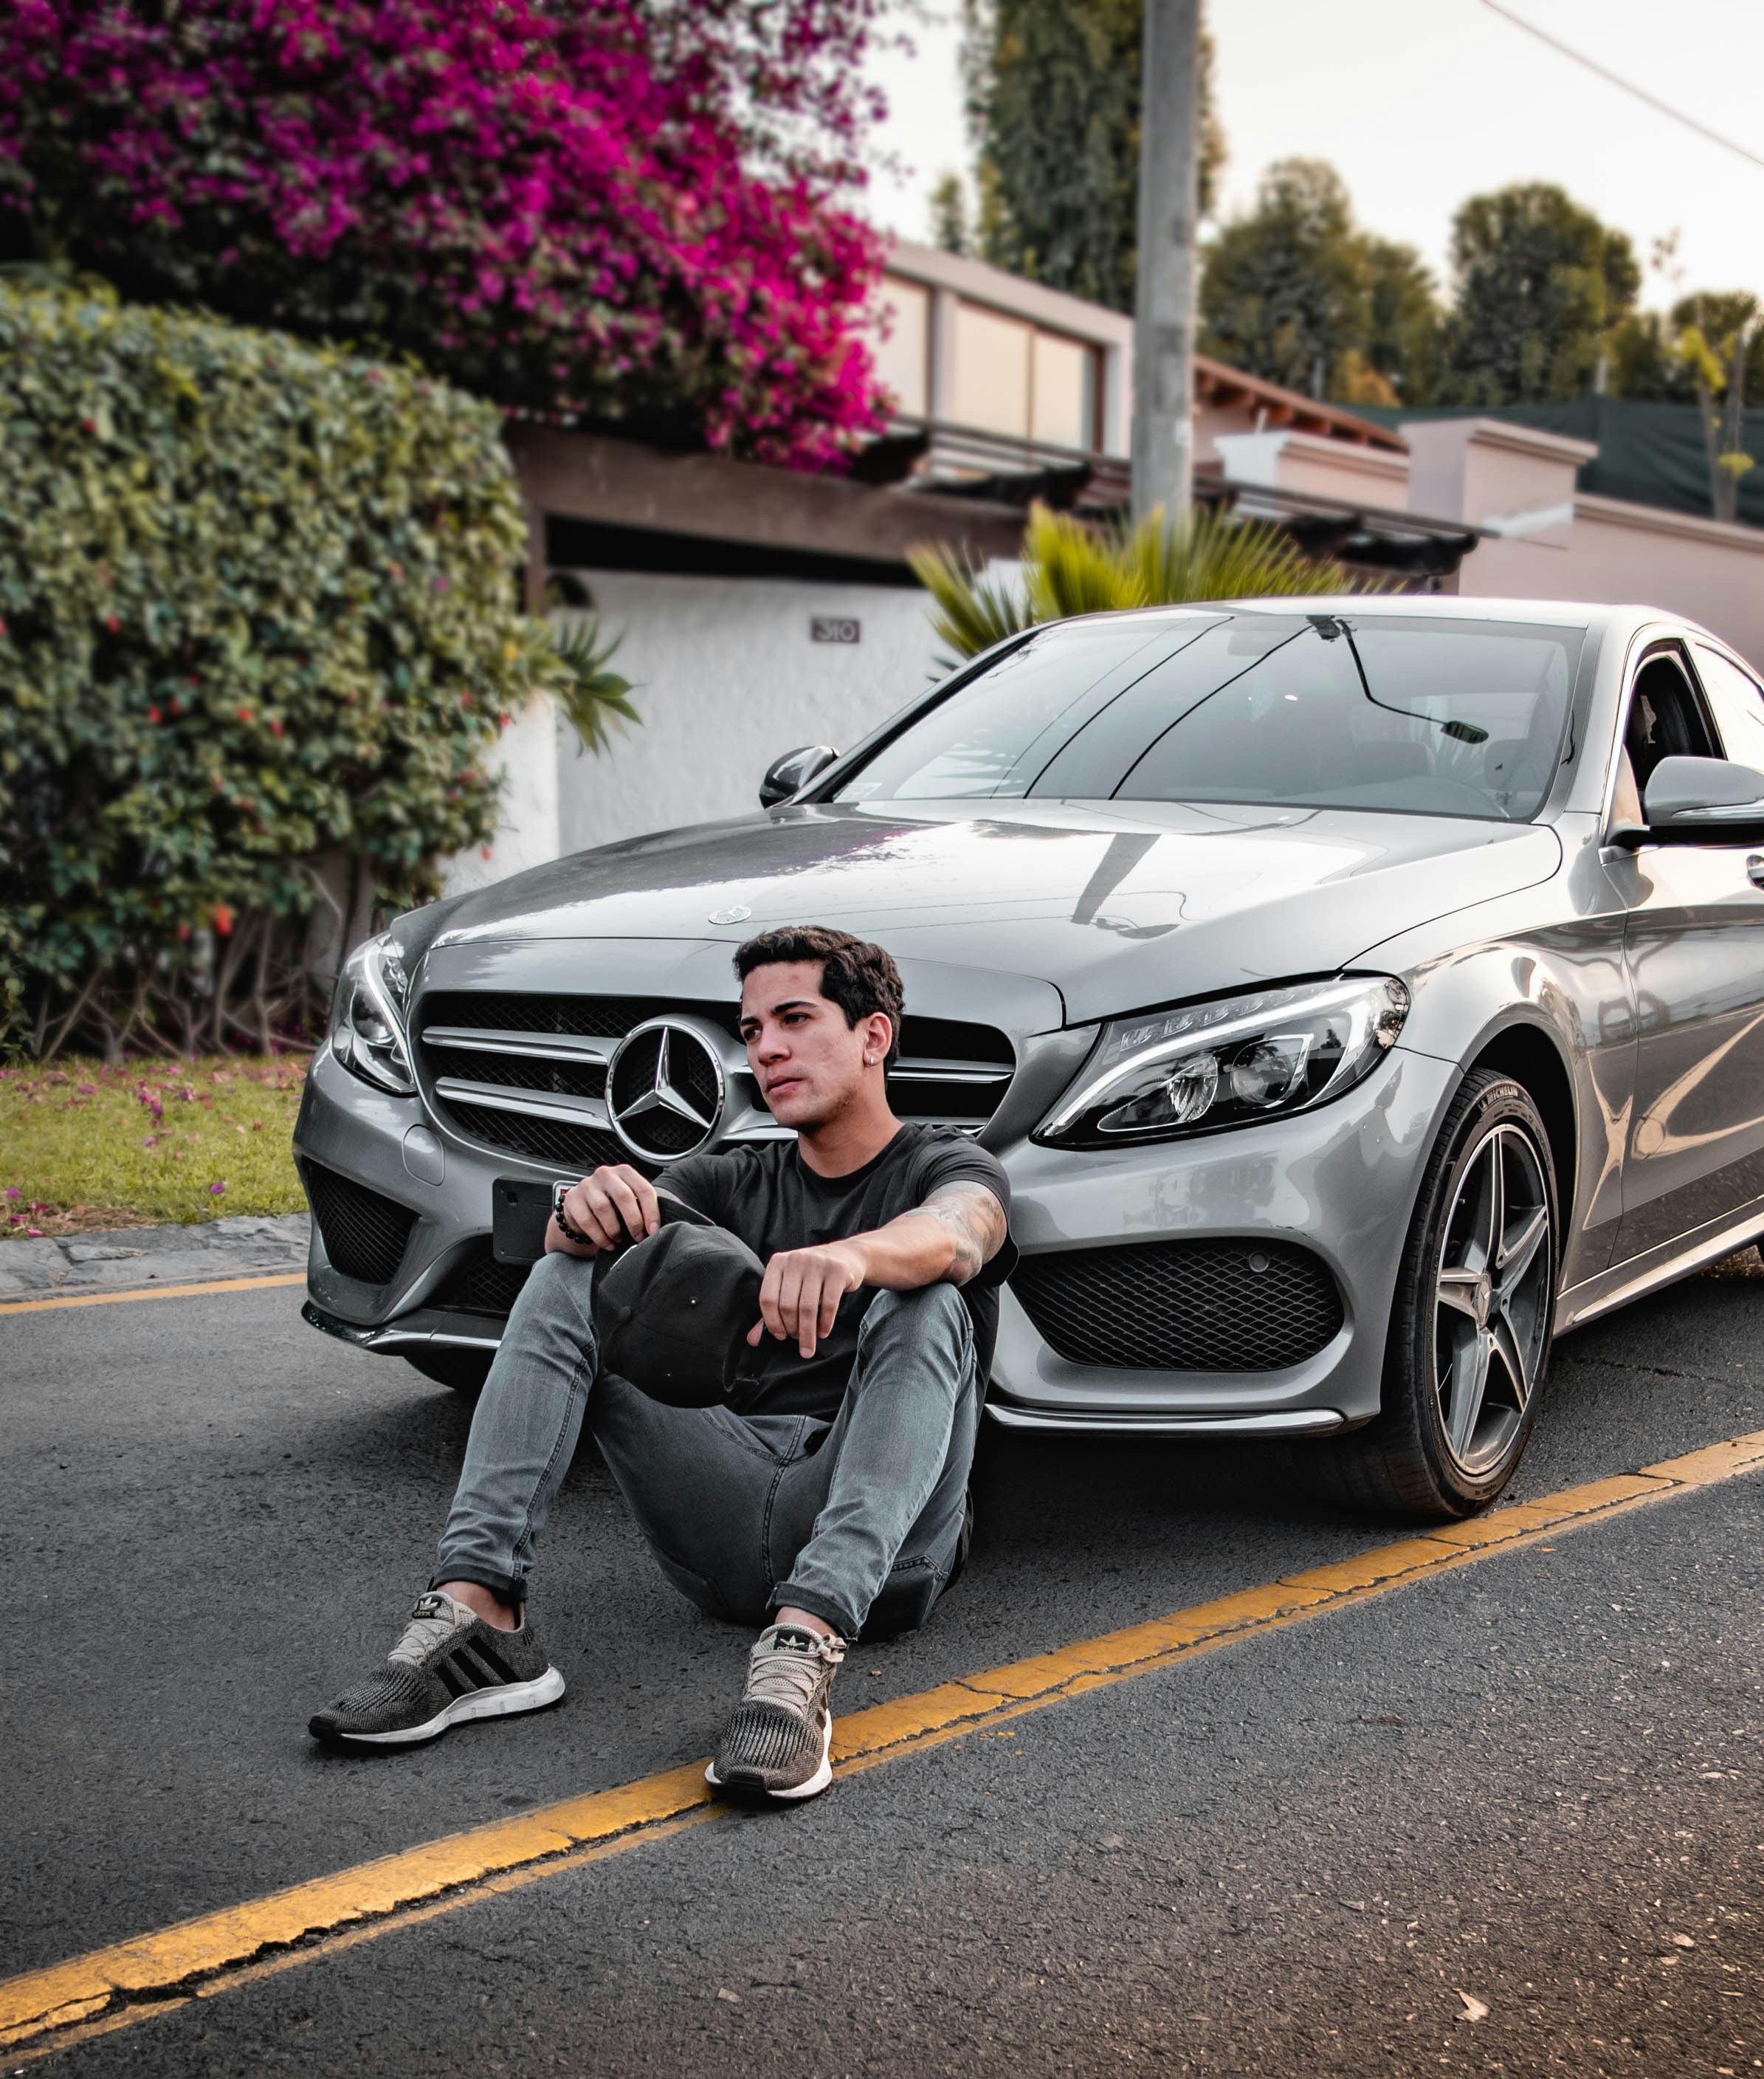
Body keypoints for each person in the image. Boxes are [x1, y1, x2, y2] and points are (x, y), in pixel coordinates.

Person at [309, 927, 1014, 1801]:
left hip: (885, 1554)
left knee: (929, 1298)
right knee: (569, 1276)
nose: (766, 1047)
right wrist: (583, 1212)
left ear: (873, 1035)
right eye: (752, 1029)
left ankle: (799, 1655)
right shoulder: (726, 1178)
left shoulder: (948, 1162)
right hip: (720, 1514)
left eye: (795, 1018)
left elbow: (961, 1231)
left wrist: (854, 1256)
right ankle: (479, 1614)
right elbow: (591, 1236)